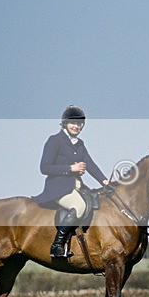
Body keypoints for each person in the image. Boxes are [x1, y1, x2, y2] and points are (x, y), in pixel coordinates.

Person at [32, 105, 109, 258]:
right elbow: (44, 167)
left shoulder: (80, 144)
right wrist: (71, 168)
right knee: (79, 206)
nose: (77, 126)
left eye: (80, 124)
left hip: (77, 187)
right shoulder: (54, 141)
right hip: (58, 188)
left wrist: (104, 181)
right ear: (65, 123)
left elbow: (90, 164)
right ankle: (57, 246)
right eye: (73, 123)